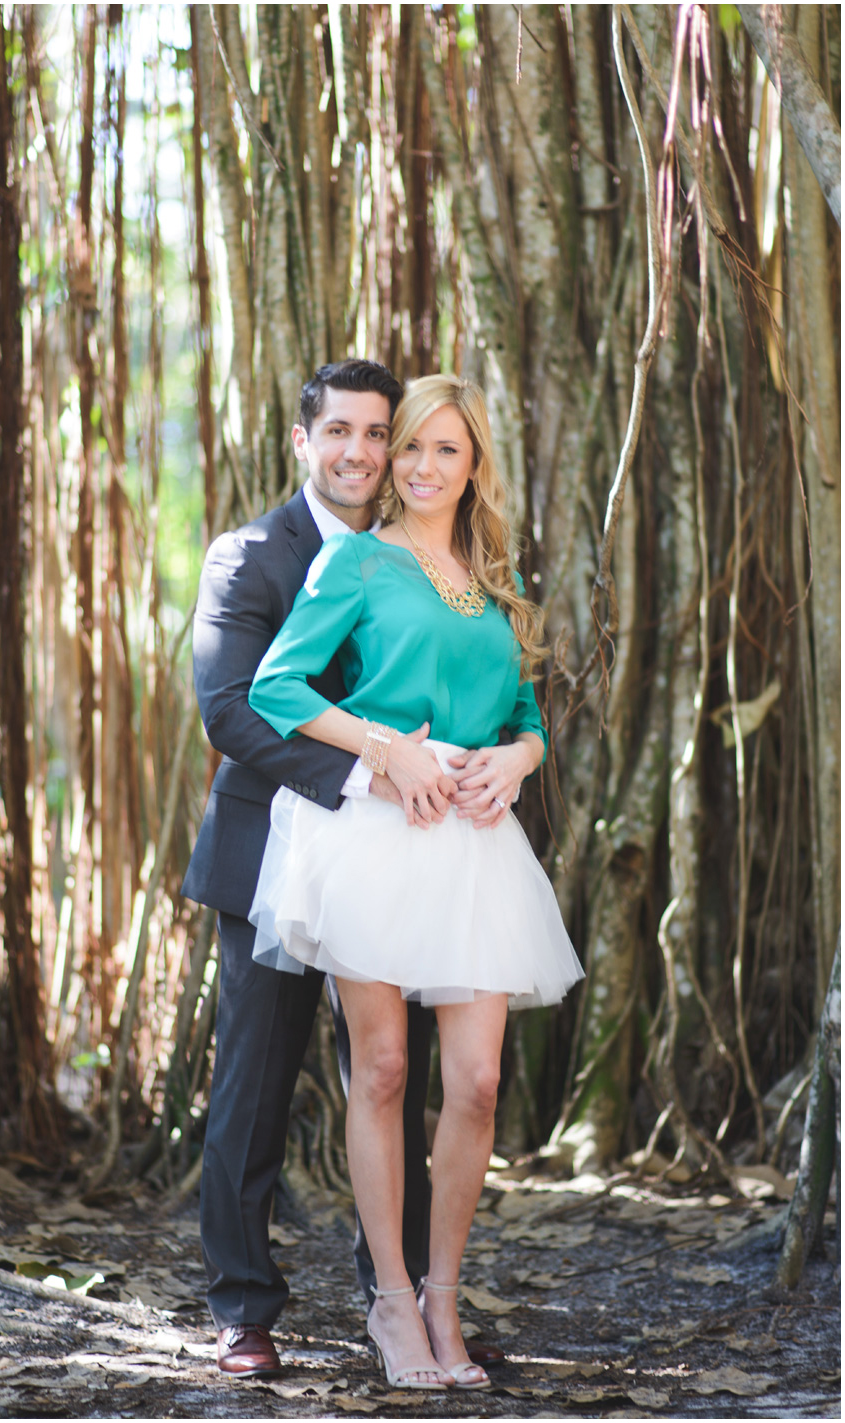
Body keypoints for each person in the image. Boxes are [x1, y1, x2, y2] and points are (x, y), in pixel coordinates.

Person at [248, 374, 584, 1390]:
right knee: (385, 1069)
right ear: (388, 465)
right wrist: (382, 746)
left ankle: (444, 1296)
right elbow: (274, 686)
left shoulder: (492, 579)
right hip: (376, 835)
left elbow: (525, 710)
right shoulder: (354, 561)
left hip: (476, 845)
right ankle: (391, 1304)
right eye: (411, 449)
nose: (424, 466)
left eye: (446, 449)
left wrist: (520, 761)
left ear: (473, 463)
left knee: (475, 1081)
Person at [182, 359, 463, 1380]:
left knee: (390, 1077)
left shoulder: (414, 555)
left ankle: (402, 1301)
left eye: (375, 433)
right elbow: (230, 711)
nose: (357, 452)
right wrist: (370, 768)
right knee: (253, 1089)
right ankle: (243, 1306)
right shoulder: (250, 555)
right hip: (270, 859)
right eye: (336, 431)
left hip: (391, 867)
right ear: (300, 442)